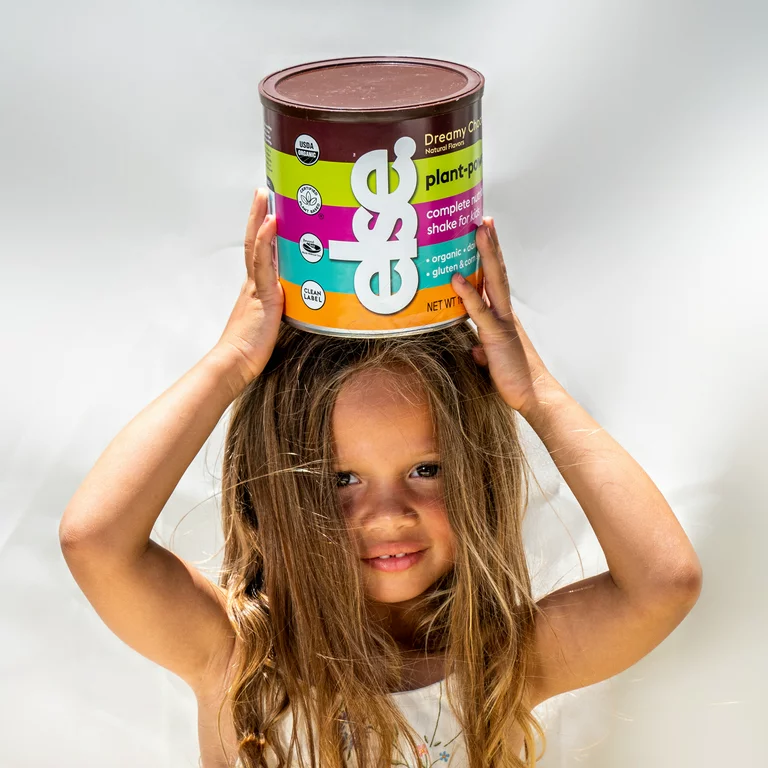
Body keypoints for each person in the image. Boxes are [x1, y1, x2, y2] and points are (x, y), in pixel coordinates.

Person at [59, 188, 703, 768]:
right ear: (274, 489)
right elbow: (95, 542)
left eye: (426, 469)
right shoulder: (234, 655)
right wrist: (229, 364)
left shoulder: (498, 666)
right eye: (341, 479)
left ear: (478, 475)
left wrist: (537, 395)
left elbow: (663, 583)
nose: (389, 513)